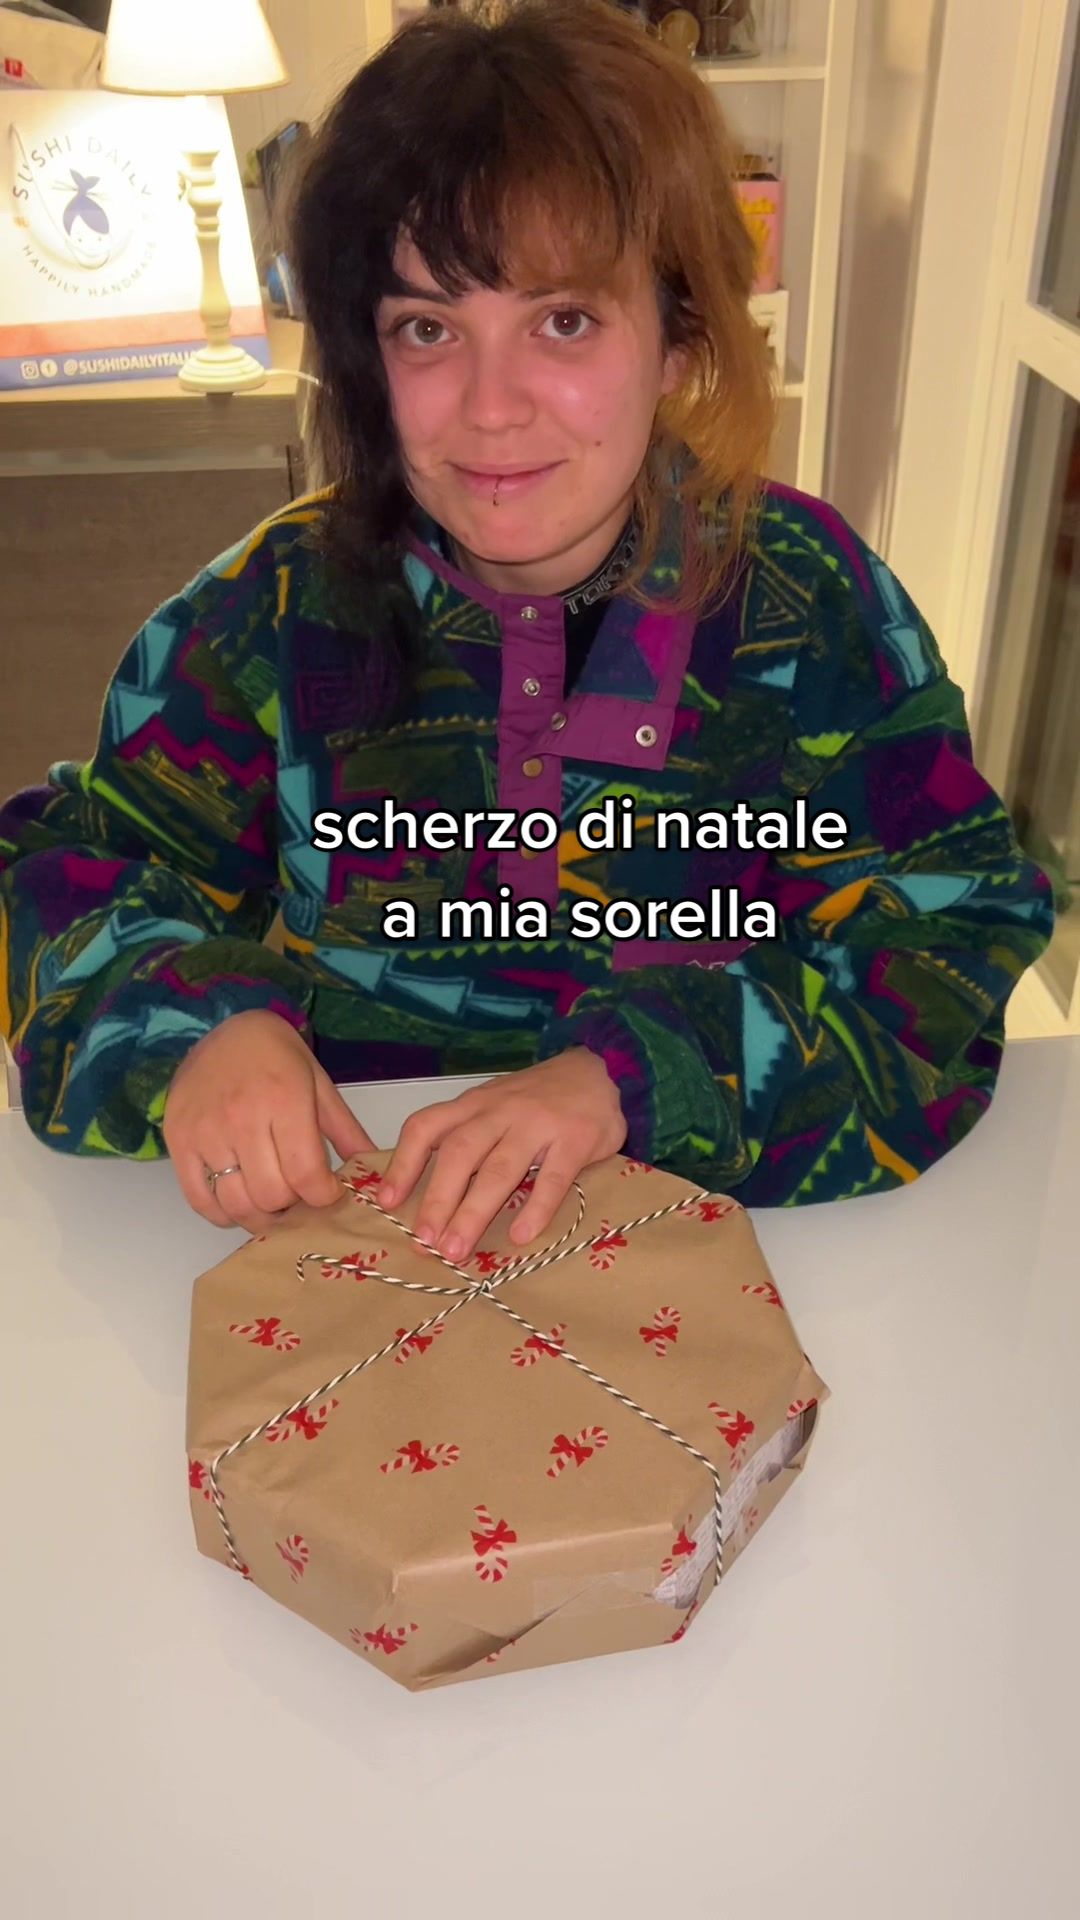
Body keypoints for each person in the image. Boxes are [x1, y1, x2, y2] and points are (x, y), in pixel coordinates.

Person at [0, 0, 1056, 1266]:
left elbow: (950, 935)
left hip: (736, 1242)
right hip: (359, 1235)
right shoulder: (269, 609)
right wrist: (198, 1023)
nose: (491, 408)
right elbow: (70, 876)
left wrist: (634, 1077)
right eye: (427, 329)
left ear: (678, 340)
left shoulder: (814, 604)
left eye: (563, 321)